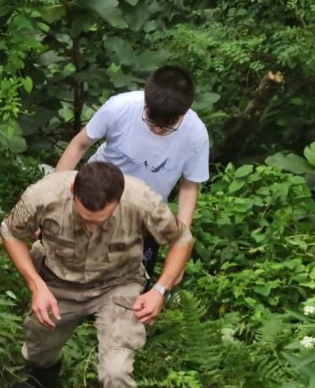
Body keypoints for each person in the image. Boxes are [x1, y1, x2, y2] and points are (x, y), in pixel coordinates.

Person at [0, 161, 194, 388]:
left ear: (119, 200)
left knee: (116, 369)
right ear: (72, 190)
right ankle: (43, 377)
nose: (91, 227)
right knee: (38, 342)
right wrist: (36, 285)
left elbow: (182, 239)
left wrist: (159, 290)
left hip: (118, 285)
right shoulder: (43, 195)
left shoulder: (141, 199)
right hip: (58, 281)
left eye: (100, 221)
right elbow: (10, 231)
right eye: (84, 219)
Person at [54, 66, 209, 275]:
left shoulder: (195, 134)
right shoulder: (119, 108)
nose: (156, 129)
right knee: (71, 268)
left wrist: (179, 244)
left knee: (134, 281)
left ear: (184, 113)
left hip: (144, 216)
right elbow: (79, 145)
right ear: (146, 101)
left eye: (166, 127)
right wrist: (54, 199)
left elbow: (189, 188)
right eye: (151, 121)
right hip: (95, 199)